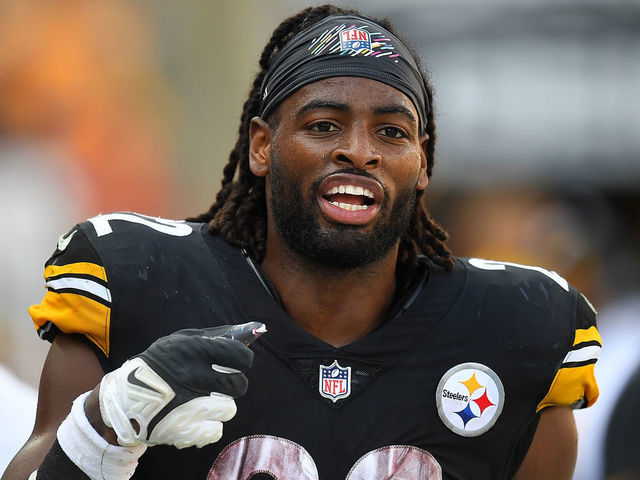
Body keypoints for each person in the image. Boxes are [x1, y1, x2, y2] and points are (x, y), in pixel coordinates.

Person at [2, 5, 601, 480]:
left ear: (423, 164)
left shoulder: (516, 327)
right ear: (261, 147)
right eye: (324, 126)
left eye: (391, 132)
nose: (360, 151)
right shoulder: (143, 283)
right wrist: (108, 421)